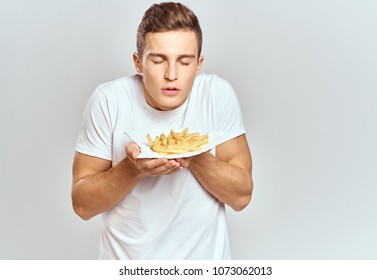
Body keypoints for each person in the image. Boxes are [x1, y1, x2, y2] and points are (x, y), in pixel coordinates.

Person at [71, 2, 253, 260]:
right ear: (138, 62)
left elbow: (242, 196)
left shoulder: (217, 95)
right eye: (158, 60)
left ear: (199, 65)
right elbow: (82, 204)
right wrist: (131, 169)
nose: (172, 75)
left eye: (185, 62)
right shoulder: (108, 100)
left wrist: (195, 156)